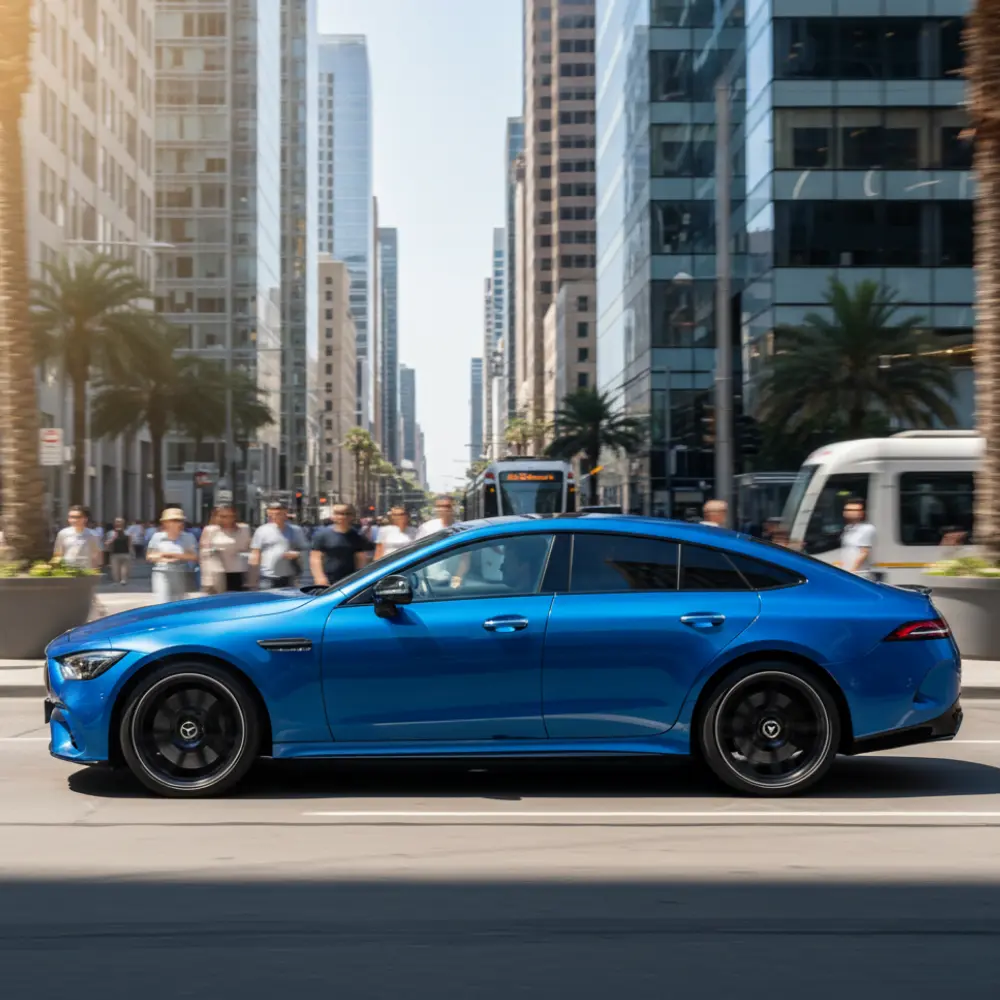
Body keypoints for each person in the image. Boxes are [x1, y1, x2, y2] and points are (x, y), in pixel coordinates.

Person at [309, 503, 375, 588]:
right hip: (327, 581)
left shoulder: (356, 536)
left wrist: (360, 577)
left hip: (350, 580)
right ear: (332, 516)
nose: (342, 517)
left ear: (352, 516)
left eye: (347, 514)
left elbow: (360, 558)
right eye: (338, 513)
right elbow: (315, 558)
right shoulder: (322, 535)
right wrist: (320, 578)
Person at [250, 501, 308, 589]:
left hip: (289, 576)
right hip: (267, 576)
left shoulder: (296, 530)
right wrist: (253, 579)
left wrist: (297, 554)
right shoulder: (261, 530)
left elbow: (306, 549)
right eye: (270, 515)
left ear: (285, 513)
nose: (274, 517)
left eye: (278, 514)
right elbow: (255, 553)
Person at [146, 508, 198, 603]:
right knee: (162, 601)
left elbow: (193, 556)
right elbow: (150, 556)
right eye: (173, 520)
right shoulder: (157, 537)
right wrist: (165, 558)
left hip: (181, 573)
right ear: (165, 523)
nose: (177, 523)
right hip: (161, 572)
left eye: (179, 520)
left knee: (178, 603)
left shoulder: (188, 537)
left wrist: (170, 555)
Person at [200, 505, 252, 593]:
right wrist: (207, 579)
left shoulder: (244, 529)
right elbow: (204, 555)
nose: (228, 519)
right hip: (216, 575)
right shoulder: (210, 530)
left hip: (238, 572)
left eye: (231, 516)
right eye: (223, 516)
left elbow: (249, 549)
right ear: (216, 517)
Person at [52, 505, 103, 570]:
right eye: (71, 517)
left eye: (77, 517)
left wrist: (96, 570)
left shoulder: (93, 535)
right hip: (67, 570)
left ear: (85, 519)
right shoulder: (63, 533)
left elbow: (97, 555)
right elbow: (58, 554)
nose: (73, 520)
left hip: (86, 570)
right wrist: (56, 569)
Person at [841, 497, 876, 577]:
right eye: (847, 510)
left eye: (854, 510)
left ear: (861, 513)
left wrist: (852, 570)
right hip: (848, 571)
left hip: (859, 574)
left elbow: (864, 552)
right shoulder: (848, 528)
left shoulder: (867, 529)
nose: (850, 513)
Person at [104, 517, 135, 586]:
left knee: (124, 569)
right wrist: (113, 539)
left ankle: (123, 580)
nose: (118, 523)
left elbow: (130, 544)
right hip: (115, 554)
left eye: (120, 522)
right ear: (114, 523)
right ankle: (117, 581)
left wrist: (132, 554)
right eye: (117, 522)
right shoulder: (111, 533)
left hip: (125, 554)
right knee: (115, 570)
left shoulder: (127, 533)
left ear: (123, 523)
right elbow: (107, 544)